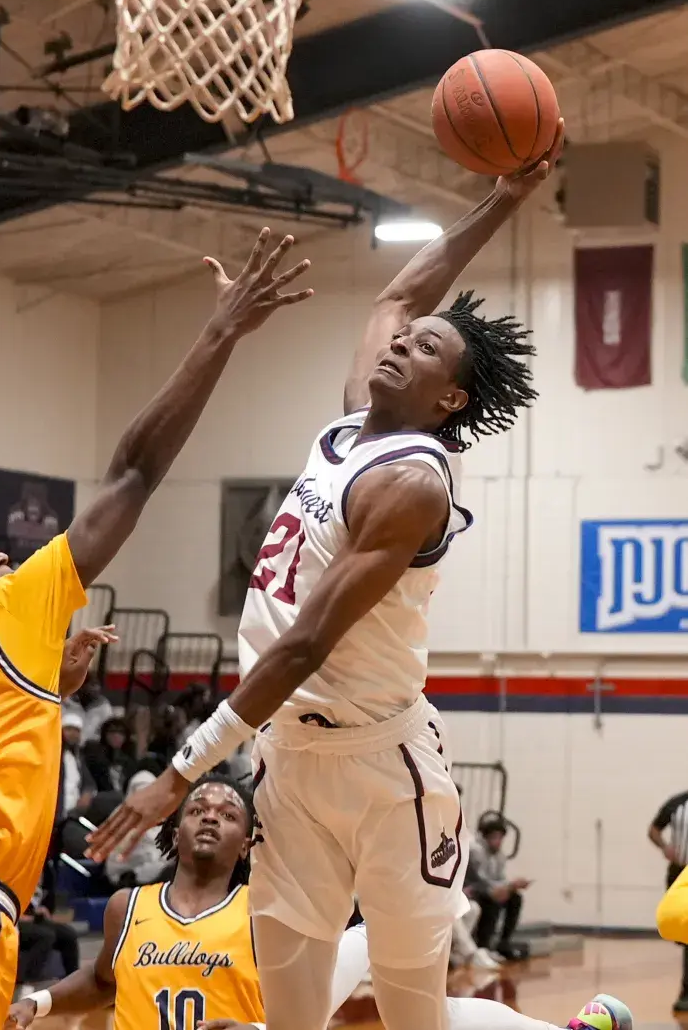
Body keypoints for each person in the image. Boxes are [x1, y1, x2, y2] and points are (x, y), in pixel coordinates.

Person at [87, 123, 565, 1030]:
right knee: (291, 1014)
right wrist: (502, 200)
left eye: (425, 349)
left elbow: (308, 641)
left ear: (450, 397)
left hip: (384, 766)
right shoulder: (350, 427)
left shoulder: (410, 483)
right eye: (404, 339)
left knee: (411, 1010)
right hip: (291, 759)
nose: (401, 342)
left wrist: (181, 770)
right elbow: (401, 291)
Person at [0, 228, 312, 1030]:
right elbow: (133, 471)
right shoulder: (6, 613)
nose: (2, 557)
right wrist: (222, 330)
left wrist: (45, 688)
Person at [5, 775, 633, 1030]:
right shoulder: (128, 906)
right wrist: (40, 1001)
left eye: (228, 813)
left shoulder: (264, 908)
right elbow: (103, 981)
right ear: (175, 828)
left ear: (249, 840)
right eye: (197, 808)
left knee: (413, 1004)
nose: (210, 816)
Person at [468, 815, 531, 961]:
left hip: (489, 889)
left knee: (515, 898)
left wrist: (511, 886)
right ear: (485, 838)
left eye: (500, 838)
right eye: (494, 837)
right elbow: (482, 880)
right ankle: (483, 945)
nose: (498, 842)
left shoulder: (499, 855)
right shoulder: (476, 851)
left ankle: (504, 942)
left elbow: (500, 878)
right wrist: (506, 887)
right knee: (493, 899)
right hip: (474, 890)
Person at [650, 789, 688, 1011]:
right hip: (681, 875)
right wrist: (665, 847)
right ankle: (686, 992)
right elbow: (654, 829)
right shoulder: (677, 803)